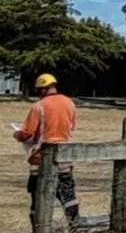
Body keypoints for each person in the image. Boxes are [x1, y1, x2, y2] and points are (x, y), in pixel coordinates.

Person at [15, 73, 80, 224]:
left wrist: (17, 134)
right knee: (69, 196)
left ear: (41, 89)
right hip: (65, 157)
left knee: (38, 198)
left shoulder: (39, 106)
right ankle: (76, 227)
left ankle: (39, 231)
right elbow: (71, 127)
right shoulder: (70, 103)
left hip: (41, 159)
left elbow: (27, 133)